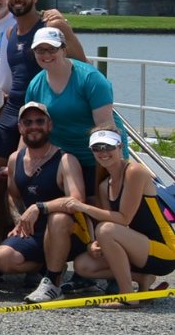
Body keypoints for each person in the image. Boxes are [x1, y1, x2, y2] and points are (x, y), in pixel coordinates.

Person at [0, 102, 91, 303]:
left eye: (40, 121)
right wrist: (19, 219)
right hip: (35, 233)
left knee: (58, 219)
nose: (34, 126)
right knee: (2, 258)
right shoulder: (14, 159)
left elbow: (77, 199)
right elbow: (13, 195)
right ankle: (52, 266)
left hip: (68, 232)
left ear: (50, 125)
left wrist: (40, 207)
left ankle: (53, 283)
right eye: (28, 122)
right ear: (20, 128)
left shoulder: (65, 159)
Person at [69, 128, 175, 305]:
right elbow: (109, 221)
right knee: (82, 265)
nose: (103, 152)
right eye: (97, 148)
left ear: (120, 147)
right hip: (139, 248)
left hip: (166, 251)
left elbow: (123, 219)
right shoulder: (104, 185)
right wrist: (94, 244)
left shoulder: (135, 171)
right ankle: (141, 278)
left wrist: (83, 207)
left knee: (106, 230)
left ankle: (127, 296)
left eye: (108, 146)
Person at [0, 0, 86, 164]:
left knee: (31, 169)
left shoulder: (52, 26)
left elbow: (83, 67)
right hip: (13, 108)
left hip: (43, 108)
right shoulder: (11, 32)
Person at [24, 26, 123, 190]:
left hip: (97, 156)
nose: (46, 55)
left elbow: (106, 126)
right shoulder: (35, 85)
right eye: (40, 50)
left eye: (52, 49)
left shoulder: (91, 79)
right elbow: (27, 126)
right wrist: (21, 162)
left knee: (97, 204)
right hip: (62, 160)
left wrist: (115, 168)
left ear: (64, 49)